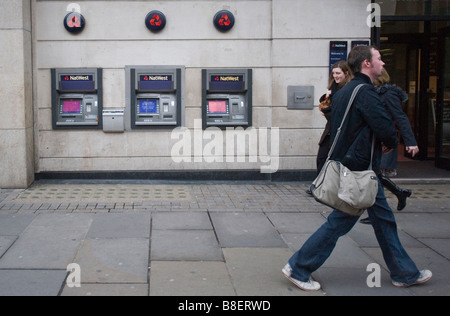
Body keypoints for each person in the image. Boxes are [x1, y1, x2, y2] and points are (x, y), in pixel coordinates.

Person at [282, 46, 432, 291]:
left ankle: (404, 272)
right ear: (366, 64)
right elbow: (384, 127)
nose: (383, 63)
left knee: (383, 221)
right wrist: (392, 142)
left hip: (359, 170)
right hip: (359, 172)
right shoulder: (365, 92)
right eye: (379, 59)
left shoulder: (344, 91)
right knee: (339, 223)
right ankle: (298, 266)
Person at [360, 69, 418, 224]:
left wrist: (410, 142)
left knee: (373, 175)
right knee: (374, 175)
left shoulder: (388, 94)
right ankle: (398, 194)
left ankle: (382, 208)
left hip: (384, 140)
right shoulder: (373, 92)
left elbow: (400, 117)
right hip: (375, 140)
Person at [305, 61, 353, 195]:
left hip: (343, 130)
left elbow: (341, 109)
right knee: (322, 157)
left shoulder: (348, 88)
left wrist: (327, 111)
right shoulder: (334, 86)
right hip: (330, 129)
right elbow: (328, 101)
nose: (336, 76)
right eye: (334, 73)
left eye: (338, 73)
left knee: (338, 160)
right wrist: (326, 99)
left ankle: (336, 187)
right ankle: (319, 185)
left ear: (346, 73)